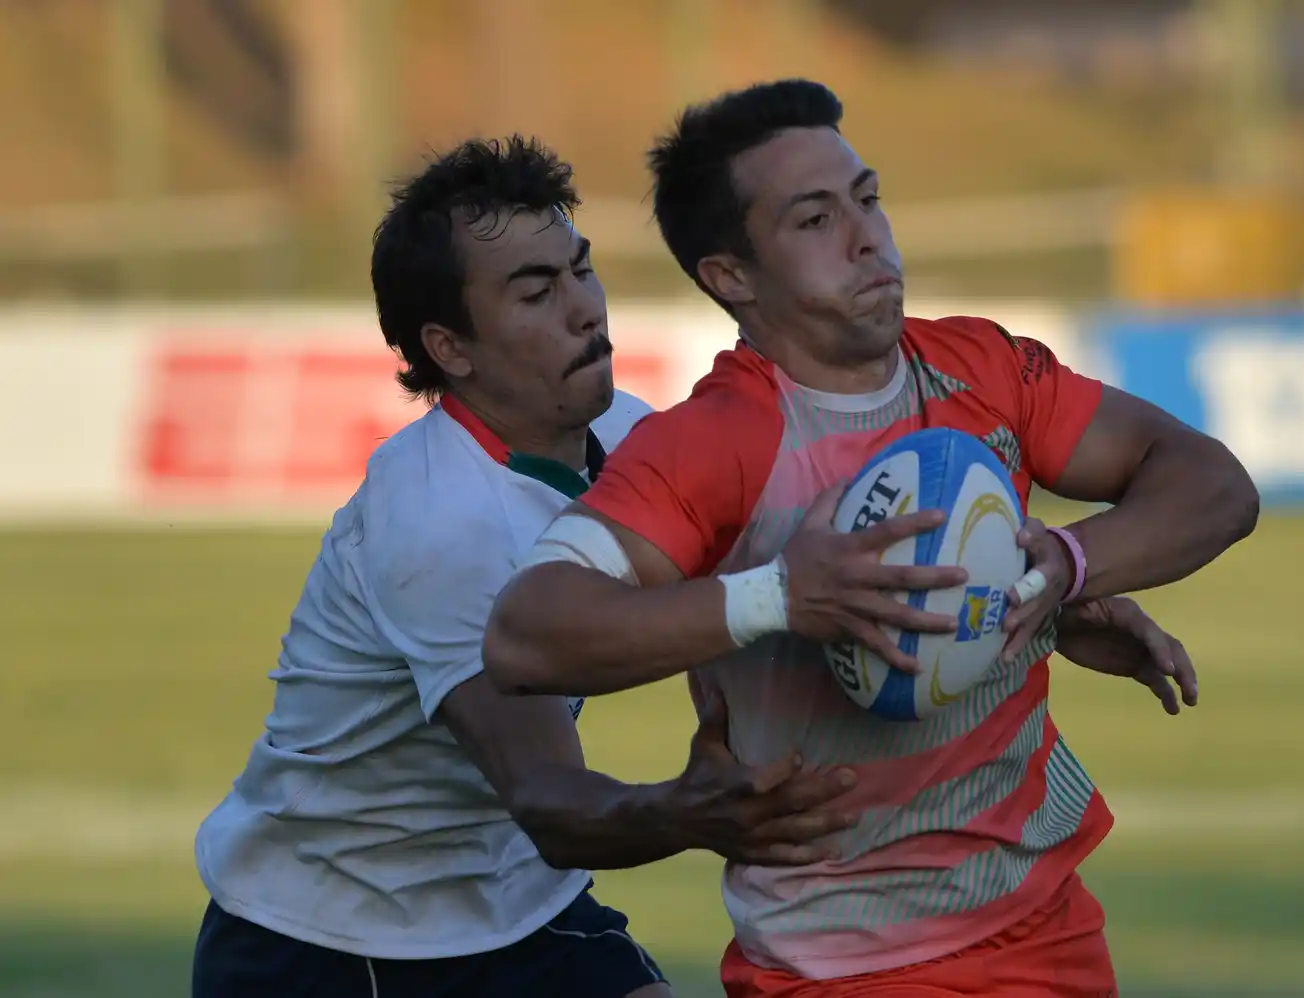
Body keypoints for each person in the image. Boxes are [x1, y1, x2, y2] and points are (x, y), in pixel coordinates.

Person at [484, 79, 1259, 997]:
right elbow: (526, 636)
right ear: (731, 277)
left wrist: (1064, 567)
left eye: (869, 200)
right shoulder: (715, 443)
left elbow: (1213, 483)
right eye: (815, 220)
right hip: (842, 965)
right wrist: (779, 596)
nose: (867, 239)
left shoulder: (982, 369)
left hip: (1046, 926)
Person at [189, 136, 867, 998]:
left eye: (580, 270)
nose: (586, 309)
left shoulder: (628, 436)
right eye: (536, 291)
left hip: (513, 900)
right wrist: (694, 810)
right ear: (452, 347)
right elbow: (550, 799)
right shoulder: (441, 523)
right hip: (334, 938)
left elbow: (795, 557)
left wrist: (1021, 590)